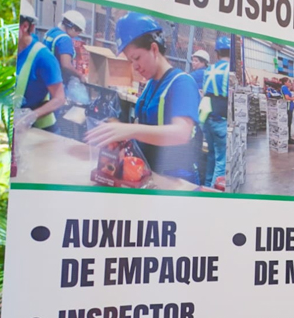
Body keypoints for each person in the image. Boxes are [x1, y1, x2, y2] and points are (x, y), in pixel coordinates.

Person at [85, 13, 202, 184]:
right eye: (131, 61)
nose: (135, 66)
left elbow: (181, 133)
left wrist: (130, 130)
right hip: (149, 176)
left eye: (137, 58)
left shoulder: (182, 83)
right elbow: (147, 128)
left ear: (154, 49)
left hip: (175, 183)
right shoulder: (150, 84)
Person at [14, 0, 65, 133]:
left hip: (40, 130)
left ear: (25, 26)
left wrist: (32, 115)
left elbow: (59, 98)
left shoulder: (43, 57)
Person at [195, 37, 230, 190]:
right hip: (220, 118)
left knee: (211, 155)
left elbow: (204, 93)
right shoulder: (229, 70)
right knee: (222, 159)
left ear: (216, 54)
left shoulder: (209, 70)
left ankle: (207, 185)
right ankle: (215, 192)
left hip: (207, 116)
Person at [43, 10, 88, 83]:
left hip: (45, 76)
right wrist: (80, 76)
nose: (78, 35)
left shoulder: (51, 32)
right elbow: (66, 65)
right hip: (56, 80)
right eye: (78, 32)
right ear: (73, 29)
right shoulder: (64, 39)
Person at [280, 77, 294, 148]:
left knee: (289, 123)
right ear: (285, 82)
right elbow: (287, 98)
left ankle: (288, 138)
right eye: (289, 82)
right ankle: (288, 139)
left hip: (290, 108)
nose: (290, 83)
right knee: (288, 124)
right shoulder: (284, 87)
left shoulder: (286, 88)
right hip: (288, 108)